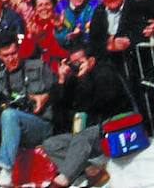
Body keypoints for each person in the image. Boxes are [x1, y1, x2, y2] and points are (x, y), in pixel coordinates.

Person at [40, 44, 133, 187]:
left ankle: (62, 180)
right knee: (51, 144)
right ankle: (87, 174)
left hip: (111, 128)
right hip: (86, 135)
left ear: (91, 61)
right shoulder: (75, 79)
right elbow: (58, 111)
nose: (76, 65)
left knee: (83, 137)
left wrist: (84, 78)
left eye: (80, 61)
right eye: (73, 62)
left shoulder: (104, 73)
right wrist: (61, 81)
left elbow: (100, 102)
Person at [0, 33, 56, 188]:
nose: (11, 59)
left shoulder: (38, 67)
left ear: (19, 50)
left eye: (14, 53)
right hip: (10, 129)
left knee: (9, 114)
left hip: (39, 125)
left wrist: (45, 96)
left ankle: (6, 171)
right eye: (6, 55)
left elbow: (60, 89)